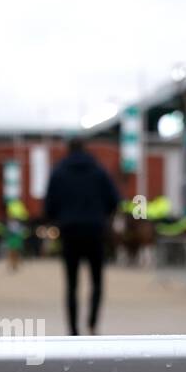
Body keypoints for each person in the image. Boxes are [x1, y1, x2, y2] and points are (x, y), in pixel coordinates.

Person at [44, 138, 119, 335]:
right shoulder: (99, 171)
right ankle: (93, 325)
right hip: (95, 230)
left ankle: (73, 329)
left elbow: (49, 206)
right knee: (97, 281)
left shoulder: (58, 172)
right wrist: (100, 215)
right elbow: (114, 200)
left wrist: (61, 217)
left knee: (71, 284)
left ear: (67, 150)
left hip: (69, 232)